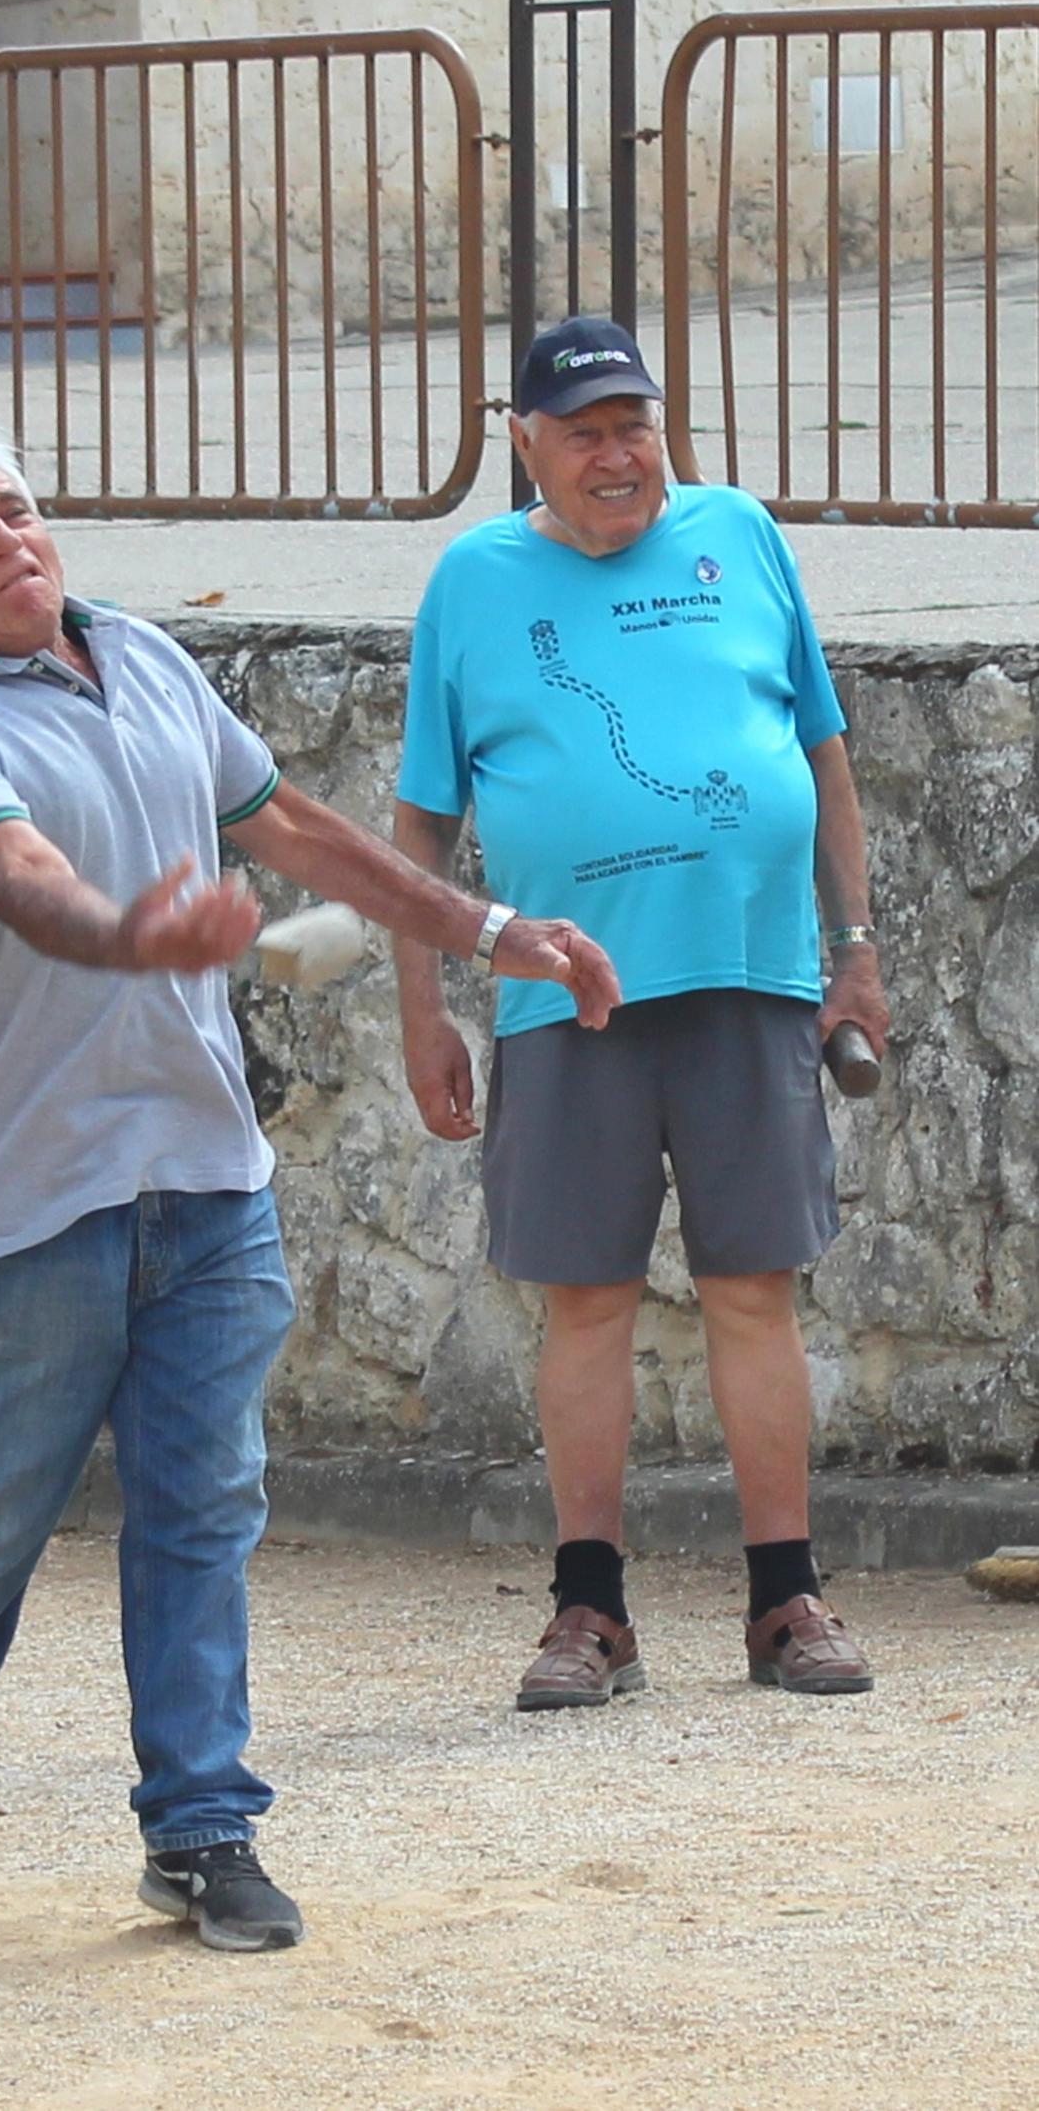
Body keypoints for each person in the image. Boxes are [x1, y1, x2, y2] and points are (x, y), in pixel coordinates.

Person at [0, 419, 616, 1953]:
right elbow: (23, 882)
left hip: (200, 1175)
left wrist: (483, 929)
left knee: (201, 1509)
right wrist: (134, 932)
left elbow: (294, 829)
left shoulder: (141, 658)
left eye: (16, 509)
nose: (8, 541)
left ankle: (199, 1829)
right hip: (23, 1199)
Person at [394, 316, 886, 1710]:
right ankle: (587, 1613)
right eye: (581, 432)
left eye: (632, 423)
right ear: (523, 446)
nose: (616, 455)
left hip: (747, 971)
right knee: (585, 1302)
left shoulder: (736, 532)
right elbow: (419, 823)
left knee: (752, 1291)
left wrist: (851, 948)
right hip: (564, 994)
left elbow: (817, 749)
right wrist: (421, 1005)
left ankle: (783, 1597)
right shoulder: (472, 582)